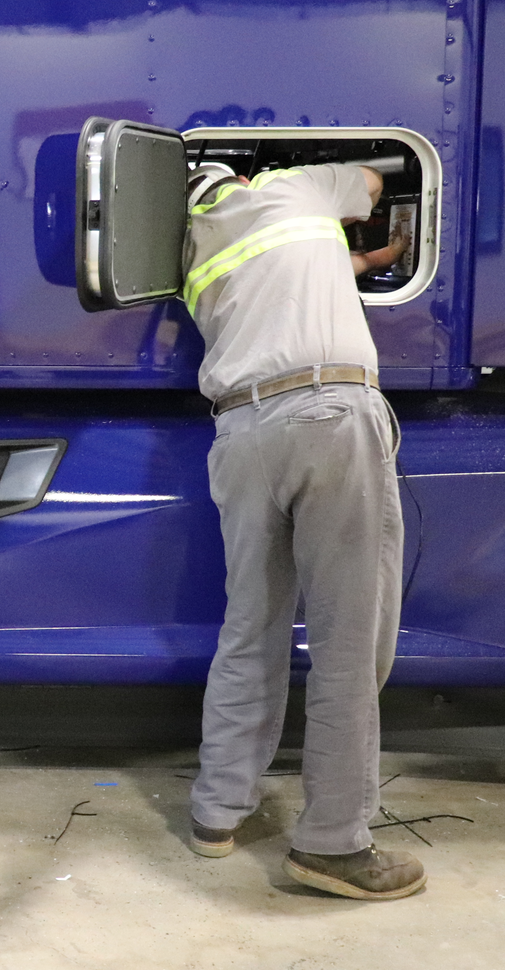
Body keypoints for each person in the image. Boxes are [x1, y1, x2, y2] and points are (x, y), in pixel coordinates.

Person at [179, 161, 425, 901]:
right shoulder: (292, 190)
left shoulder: (199, 255)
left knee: (249, 631)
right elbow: (372, 182)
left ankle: (216, 816)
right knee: (350, 643)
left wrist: (357, 261)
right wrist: (369, 207)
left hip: (241, 433)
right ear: (248, 177)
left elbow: (287, 271)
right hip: (325, 413)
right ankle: (332, 846)